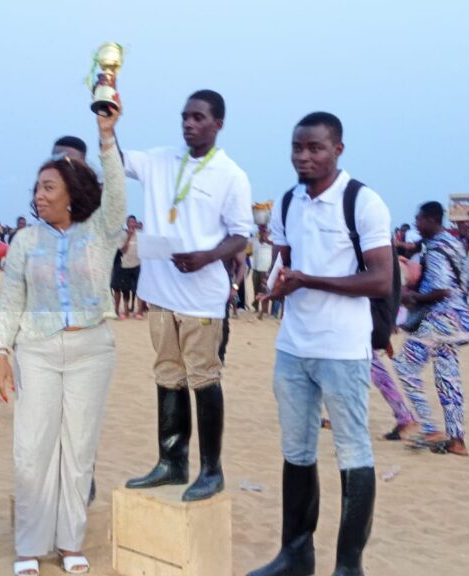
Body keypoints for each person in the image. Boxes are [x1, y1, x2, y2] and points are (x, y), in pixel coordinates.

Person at [248, 112, 393, 576]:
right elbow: (290, 263)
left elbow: (381, 279)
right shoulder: (290, 201)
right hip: (293, 346)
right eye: (297, 148)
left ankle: (349, 566)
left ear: (338, 150)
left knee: (353, 453)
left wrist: (310, 279)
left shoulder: (363, 202)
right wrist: (280, 285)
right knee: (297, 451)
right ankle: (296, 554)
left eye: (315, 148)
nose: (304, 156)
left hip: (343, 350)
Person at [0, 109, 124, 576]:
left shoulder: (101, 233)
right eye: (36, 188)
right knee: (32, 450)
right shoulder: (25, 241)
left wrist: (106, 138)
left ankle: (69, 543)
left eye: (48, 186)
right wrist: (1, 352)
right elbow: (10, 298)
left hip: (92, 351)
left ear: (71, 193)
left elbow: (117, 193)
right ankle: (29, 544)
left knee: (78, 449)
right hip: (38, 352)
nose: (38, 195)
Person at [123, 89, 253, 502]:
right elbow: (116, 161)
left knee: (203, 380)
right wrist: (106, 126)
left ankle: (211, 470)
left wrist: (207, 257)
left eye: (198, 117)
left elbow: (240, 236)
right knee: (167, 376)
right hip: (160, 293)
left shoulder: (231, 174)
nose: (189, 123)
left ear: (218, 124)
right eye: (184, 116)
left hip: (201, 297)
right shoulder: (161, 159)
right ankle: (171, 461)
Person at [393, 201, 469, 457]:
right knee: (447, 378)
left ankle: (429, 427)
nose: (417, 224)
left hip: (440, 319)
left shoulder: (438, 248)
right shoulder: (451, 243)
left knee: (404, 366)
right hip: (457, 321)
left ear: (430, 220)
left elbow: (441, 290)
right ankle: (457, 439)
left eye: (419, 219)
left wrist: (410, 297)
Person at [113, 215, 144, 319]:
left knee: (139, 289)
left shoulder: (140, 234)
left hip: (138, 265)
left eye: (134, 222)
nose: (132, 224)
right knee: (125, 290)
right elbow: (123, 250)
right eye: (130, 222)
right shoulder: (122, 235)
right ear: (127, 224)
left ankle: (139, 312)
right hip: (125, 266)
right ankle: (126, 312)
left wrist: (141, 228)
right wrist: (129, 236)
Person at [250, 223, 273, 319]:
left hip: (266, 268)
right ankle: (256, 306)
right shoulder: (255, 238)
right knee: (256, 288)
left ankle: (265, 310)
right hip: (255, 267)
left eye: (263, 229)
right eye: (260, 228)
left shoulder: (272, 238)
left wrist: (267, 240)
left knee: (264, 289)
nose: (261, 231)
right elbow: (250, 250)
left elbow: (276, 247)